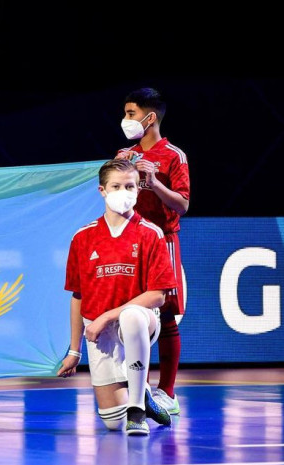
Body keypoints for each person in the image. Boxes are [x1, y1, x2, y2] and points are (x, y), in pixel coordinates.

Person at [57, 158, 175, 435]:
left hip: (139, 322)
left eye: (130, 186)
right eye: (117, 186)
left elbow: (158, 296)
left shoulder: (150, 233)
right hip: (99, 331)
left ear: (138, 190)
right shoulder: (82, 237)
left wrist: (109, 315)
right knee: (112, 423)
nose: (125, 191)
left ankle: (137, 409)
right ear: (102, 191)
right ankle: (142, 393)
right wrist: (75, 351)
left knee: (131, 316)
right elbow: (78, 296)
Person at [115, 87, 190, 415]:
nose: (126, 120)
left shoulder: (174, 156)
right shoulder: (124, 153)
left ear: (151, 117)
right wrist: (121, 172)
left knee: (167, 315)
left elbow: (184, 204)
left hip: (162, 242)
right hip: (131, 242)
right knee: (128, 314)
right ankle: (135, 389)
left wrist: (153, 180)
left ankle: (167, 393)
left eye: (131, 114)